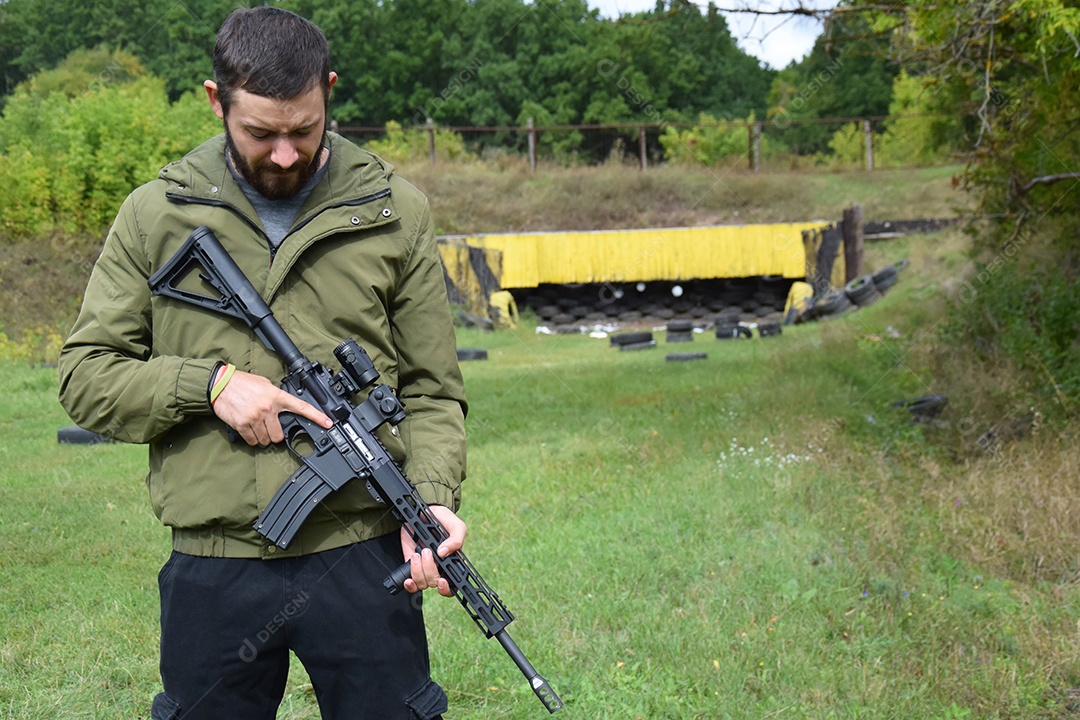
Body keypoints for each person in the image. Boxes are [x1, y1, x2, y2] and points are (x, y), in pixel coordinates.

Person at [57, 7, 467, 719]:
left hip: (364, 554)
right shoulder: (156, 215)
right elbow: (85, 375)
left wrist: (431, 495)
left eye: (303, 130)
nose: (284, 154)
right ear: (217, 101)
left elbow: (430, 390)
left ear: (329, 90)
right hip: (214, 565)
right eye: (260, 133)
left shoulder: (393, 210)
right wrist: (207, 385)